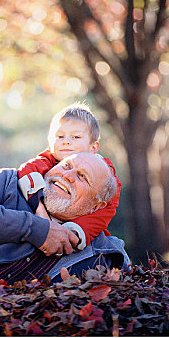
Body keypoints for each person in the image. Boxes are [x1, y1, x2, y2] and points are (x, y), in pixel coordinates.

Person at [0, 153, 130, 290]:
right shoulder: (10, 182)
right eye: (66, 165)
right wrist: (35, 229)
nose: (67, 175)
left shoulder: (99, 254)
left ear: (96, 206)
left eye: (82, 176)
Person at [18, 103, 122, 250]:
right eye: (60, 136)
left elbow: (102, 215)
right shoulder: (48, 158)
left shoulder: (104, 174)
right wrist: (40, 212)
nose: (66, 141)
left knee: (107, 247)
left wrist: (72, 234)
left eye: (76, 137)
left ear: (93, 147)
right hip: (43, 222)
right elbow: (26, 171)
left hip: (80, 233)